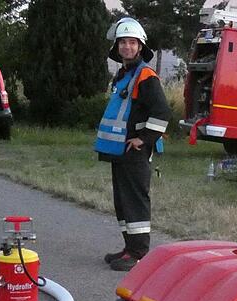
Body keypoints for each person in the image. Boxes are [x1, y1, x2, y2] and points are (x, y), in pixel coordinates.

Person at [95, 17, 171, 272]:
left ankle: (138, 253)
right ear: (117, 47)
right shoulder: (124, 74)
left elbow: (162, 112)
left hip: (135, 151)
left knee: (135, 201)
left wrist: (144, 140)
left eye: (132, 42)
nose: (127, 47)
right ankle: (129, 248)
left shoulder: (146, 76)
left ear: (140, 47)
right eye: (123, 42)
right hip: (120, 151)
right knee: (123, 202)